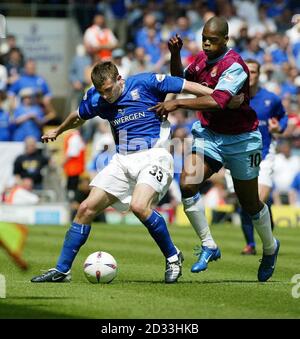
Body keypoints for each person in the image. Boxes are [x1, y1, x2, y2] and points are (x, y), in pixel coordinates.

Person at [30, 61, 232, 284]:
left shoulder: (145, 82)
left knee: (139, 206)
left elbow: (185, 85)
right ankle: (62, 270)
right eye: (101, 92)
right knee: (86, 209)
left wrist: (218, 95)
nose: (106, 96)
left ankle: (173, 257)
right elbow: (78, 116)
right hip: (122, 159)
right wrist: (58, 130)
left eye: (108, 90)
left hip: (154, 155)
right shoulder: (97, 98)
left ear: (119, 80)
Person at [151, 16, 280, 282]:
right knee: (187, 183)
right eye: (204, 40)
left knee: (250, 204)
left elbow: (218, 101)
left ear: (225, 40)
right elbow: (179, 79)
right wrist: (175, 54)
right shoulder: (199, 60)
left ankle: (270, 247)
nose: (207, 44)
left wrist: (177, 104)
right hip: (210, 136)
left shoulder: (234, 66)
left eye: (212, 40)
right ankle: (209, 244)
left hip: (241, 140)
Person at [234, 59, 287, 255]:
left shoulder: (270, 99)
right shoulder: (234, 97)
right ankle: (251, 244)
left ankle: (268, 245)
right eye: (247, 71)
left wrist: (278, 128)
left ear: (259, 74)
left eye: (254, 72)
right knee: (246, 203)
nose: (251, 75)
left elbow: (283, 116)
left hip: (265, 154)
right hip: (240, 156)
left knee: (255, 200)